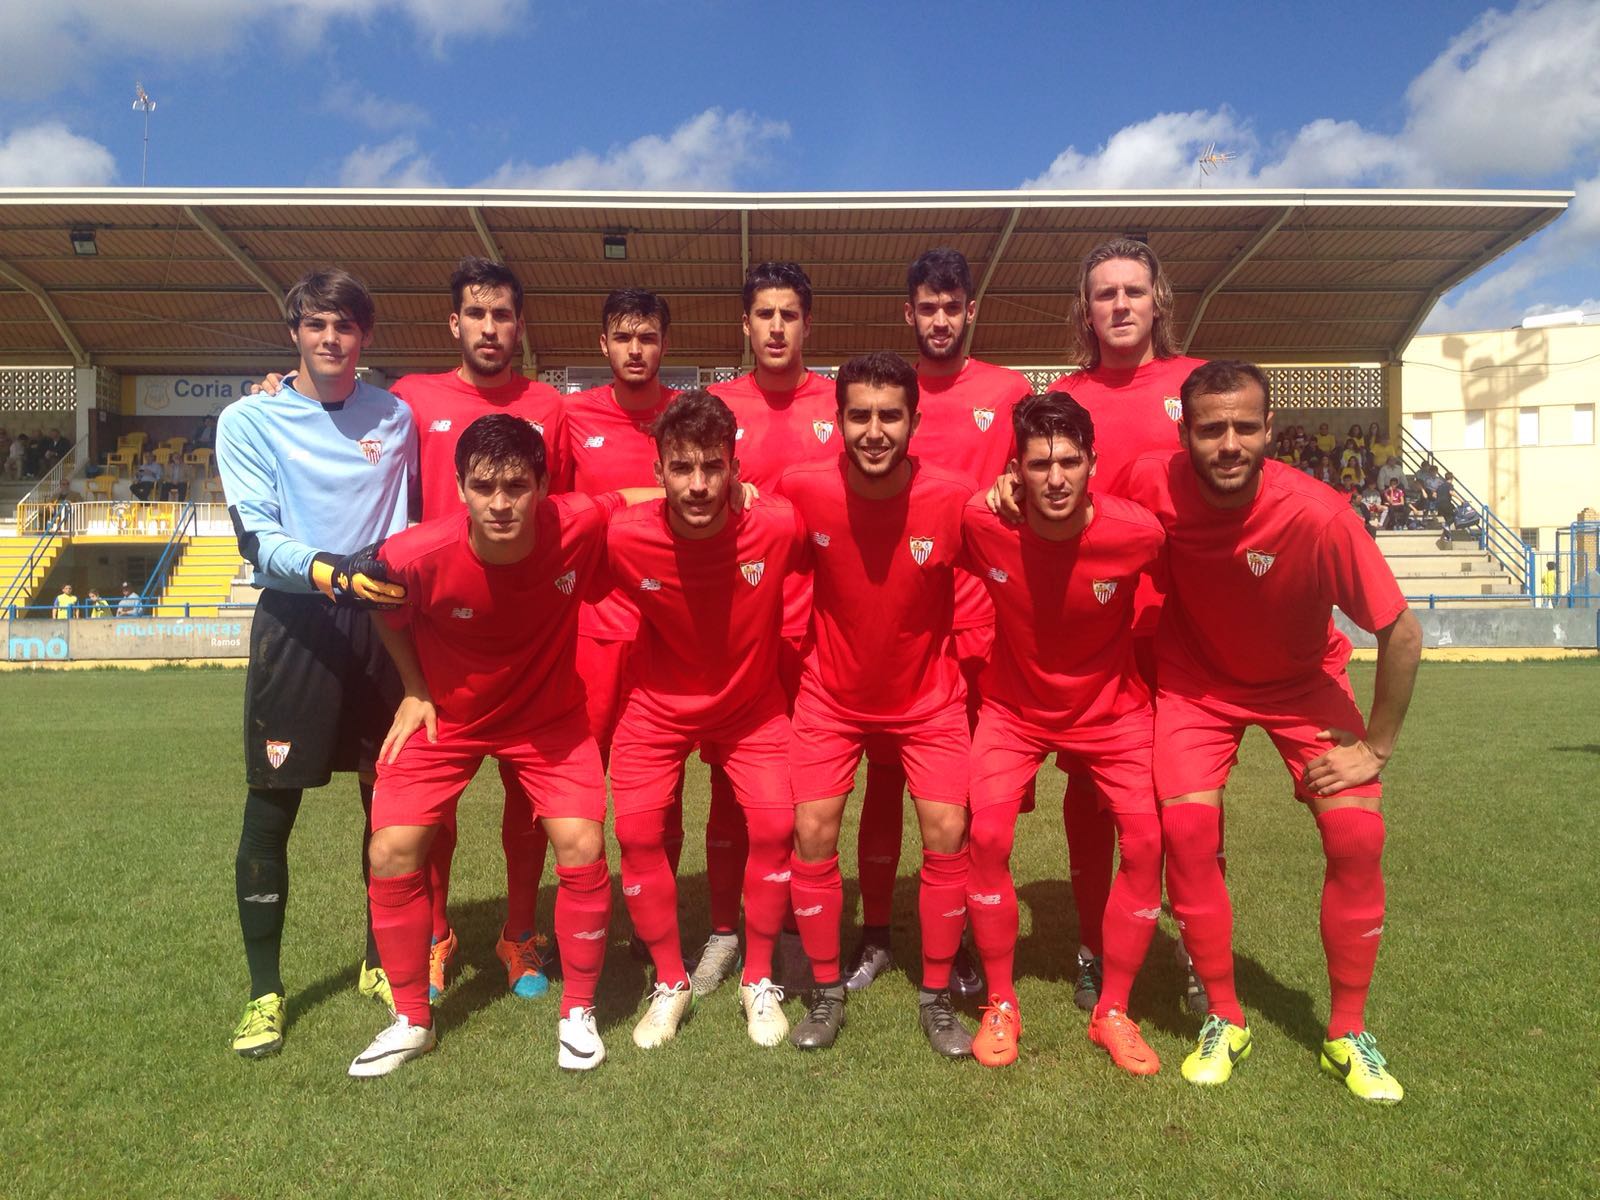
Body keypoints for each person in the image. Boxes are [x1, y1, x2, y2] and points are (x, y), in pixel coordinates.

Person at [255, 256, 570, 1005]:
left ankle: (518, 933)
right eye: (476, 314)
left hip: (528, 631)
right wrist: (275, 391)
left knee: (530, 799)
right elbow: (333, 422)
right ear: (453, 323)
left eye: (503, 316)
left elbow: (572, 516)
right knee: (435, 800)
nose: (490, 329)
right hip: (431, 625)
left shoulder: (552, 408)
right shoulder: (408, 400)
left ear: (520, 326)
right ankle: (434, 934)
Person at [1121, 360, 1422, 1104]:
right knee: (1186, 834)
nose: (1229, 443)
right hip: (1198, 685)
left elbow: (1402, 633)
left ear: (1270, 432)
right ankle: (1225, 1017)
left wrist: (1374, 748)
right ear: (1185, 434)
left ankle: (1347, 1033)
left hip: (1301, 684)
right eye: (1211, 428)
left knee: (1357, 837)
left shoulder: (1319, 516)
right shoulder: (1148, 481)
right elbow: (1069, 507)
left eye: (1244, 427)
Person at [351, 414, 635, 1077]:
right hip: (447, 716)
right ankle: (411, 1020)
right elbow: (381, 606)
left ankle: (580, 1013)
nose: (501, 503)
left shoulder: (577, 522)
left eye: (516, 486)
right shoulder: (413, 553)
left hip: (547, 718)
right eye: (484, 487)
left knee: (584, 843)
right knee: (390, 847)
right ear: (460, 487)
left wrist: (739, 492)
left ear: (541, 486)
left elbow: (636, 497)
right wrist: (415, 687)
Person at [216, 267, 416, 1060]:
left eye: (345, 326)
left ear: (363, 336)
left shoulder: (394, 414)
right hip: (297, 622)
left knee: (387, 803)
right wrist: (329, 570)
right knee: (272, 811)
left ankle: (379, 958)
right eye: (316, 325)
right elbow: (255, 536)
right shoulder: (249, 418)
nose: (330, 338)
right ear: (293, 331)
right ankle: (265, 991)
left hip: (378, 625)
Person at [838, 249, 1028, 999]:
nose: (941, 319)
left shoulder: (1008, 391)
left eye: (954, 306)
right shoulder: (881, 395)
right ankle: (877, 934)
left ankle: (970, 940)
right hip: (899, 628)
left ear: (971, 311)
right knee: (883, 788)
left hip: (979, 627)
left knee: (972, 803)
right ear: (908, 313)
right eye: (929, 306)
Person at [962, 392, 1166, 1075]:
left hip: (1113, 711)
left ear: (1092, 464)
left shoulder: (1138, 533)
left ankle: (1112, 1010)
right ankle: (1000, 1001)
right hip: (1014, 709)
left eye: (1070, 462)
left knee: (1146, 841)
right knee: (985, 835)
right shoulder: (982, 523)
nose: (1055, 477)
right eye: (1039, 462)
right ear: (1016, 468)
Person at [779, 352, 974, 1057]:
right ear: (837, 421)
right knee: (812, 832)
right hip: (831, 696)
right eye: (859, 414)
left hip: (929, 699)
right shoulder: (802, 489)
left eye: (890, 415)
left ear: (914, 422)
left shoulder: (954, 498)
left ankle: (936, 995)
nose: (873, 429)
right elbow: (749, 530)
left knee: (949, 831)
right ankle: (826, 993)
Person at [1038, 237, 1208, 1016]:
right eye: (1104, 294)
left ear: (1158, 301)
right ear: (1086, 309)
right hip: (1101, 632)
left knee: (1187, 794)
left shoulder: (1197, 385)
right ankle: (1089, 942)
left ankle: (1200, 947)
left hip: (1186, 627)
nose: (1119, 305)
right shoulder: (1061, 399)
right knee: (1093, 798)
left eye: (1132, 292)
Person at [606, 390, 806, 1049]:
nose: (697, 484)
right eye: (682, 467)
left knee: (777, 825)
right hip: (658, 706)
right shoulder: (627, 536)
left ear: (734, 470)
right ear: (657, 471)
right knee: (636, 835)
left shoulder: (776, 526)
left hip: (751, 707)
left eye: (712, 467)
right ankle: (671, 982)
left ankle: (757, 980)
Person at [693, 262, 840, 996]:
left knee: (797, 792)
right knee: (729, 788)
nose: (777, 327)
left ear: (807, 324)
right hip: (738, 628)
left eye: (789, 314)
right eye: (764, 315)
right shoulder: (717, 404)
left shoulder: (842, 403)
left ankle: (784, 928)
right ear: (744, 325)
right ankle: (725, 929)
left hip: (816, 629)